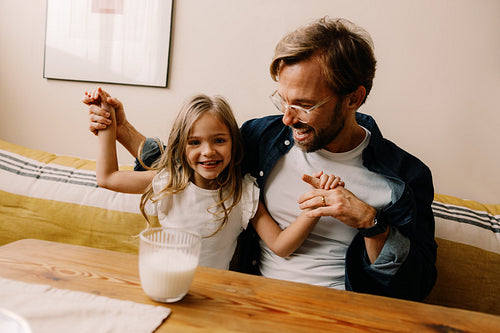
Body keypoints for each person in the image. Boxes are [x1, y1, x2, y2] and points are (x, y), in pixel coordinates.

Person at [84, 17, 437, 301]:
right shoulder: (260, 138)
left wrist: (370, 222)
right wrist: (121, 128)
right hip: (254, 305)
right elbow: (192, 167)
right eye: (282, 100)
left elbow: (415, 286)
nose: (287, 117)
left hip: (342, 314)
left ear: (353, 99)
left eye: (304, 104)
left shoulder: (404, 177)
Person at [85, 87, 343, 270]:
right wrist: (106, 120)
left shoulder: (242, 193)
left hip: (214, 296)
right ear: (181, 148)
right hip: (165, 285)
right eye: (194, 142)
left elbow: (281, 245)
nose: (208, 151)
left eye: (219, 140)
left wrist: (316, 206)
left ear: (234, 143)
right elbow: (108, 178)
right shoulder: (169, 183)